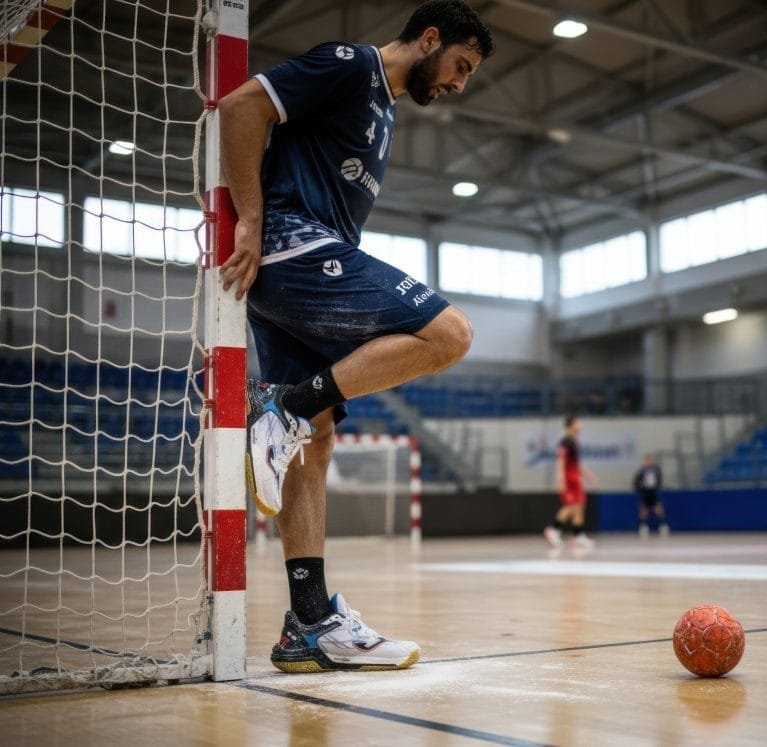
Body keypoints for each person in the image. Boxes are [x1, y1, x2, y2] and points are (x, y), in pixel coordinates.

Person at [217, 0, 494, 673]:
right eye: (460, 65)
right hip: (292, 254)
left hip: (300, 276)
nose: (460, 82)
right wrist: (250, 220)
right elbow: (241, 107)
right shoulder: (350, 66)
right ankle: (283, 408)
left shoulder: (386, 110)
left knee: (317, 443)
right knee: (450, 334)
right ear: (429, 39)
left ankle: (309, 624)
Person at [544, 415, 598, 549]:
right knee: (570, 506)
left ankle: (578, 535)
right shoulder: (565, 442)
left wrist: (587, 474)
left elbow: (576, 464)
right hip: (568, 479)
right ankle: (553, 530)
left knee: (580, 505)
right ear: (571, 425)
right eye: (578, 423)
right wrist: (560, 479)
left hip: (575, 478)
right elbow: (560, 461)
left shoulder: (574, 441)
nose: (581, 425)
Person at [633, 454, 669, 537]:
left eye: (650, 461)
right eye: (647, 461)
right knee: (644, 509)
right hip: (645, 492)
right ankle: (643, 526)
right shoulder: (641, 471)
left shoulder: (656, 470)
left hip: (653, 492)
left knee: (658, 508)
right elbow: (636, 481)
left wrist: (657, 487)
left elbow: (659, 480)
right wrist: (639, 488)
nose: (648, 462)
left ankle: (663, 525)